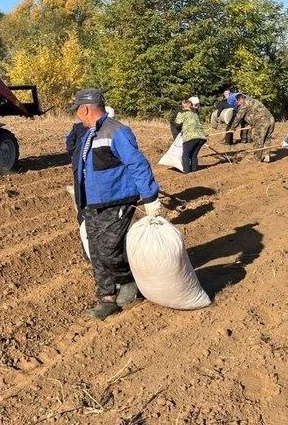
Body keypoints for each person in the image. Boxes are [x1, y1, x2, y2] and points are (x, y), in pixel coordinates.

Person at [70, 88, 162, 320]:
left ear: (86, 108)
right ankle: (107, 298)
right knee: (94, 250)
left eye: (77, 111)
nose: (76, 116)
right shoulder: (86, 134)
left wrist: (150, 197)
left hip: (117, 199)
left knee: (109, 250)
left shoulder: (117, 131)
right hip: (91, 201)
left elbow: (138, 164)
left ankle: (128, 281)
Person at [228, 93, 275, 162]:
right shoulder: (254, 101)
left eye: (238, 101)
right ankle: (266, 156)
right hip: (271, 119)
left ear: (241, 99)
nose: (237, 103)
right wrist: (252, 124)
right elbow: (255, 113)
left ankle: (257, 159)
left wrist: (232, 128)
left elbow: (238, 117)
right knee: (267, 138)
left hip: (261, 121)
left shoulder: (245, 104)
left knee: (258, 139)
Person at [175, 97, 207, 172]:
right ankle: (194, 172)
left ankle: (186, 172)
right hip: (201, 137)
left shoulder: (183, 113)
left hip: (190, 137)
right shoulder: (195, 114)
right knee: (194, 155)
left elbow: (177, 122)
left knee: (186, 155)